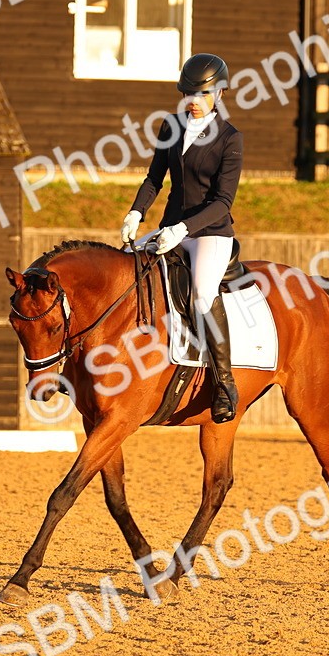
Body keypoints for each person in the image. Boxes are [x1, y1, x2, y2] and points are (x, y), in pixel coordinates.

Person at [121, 53, 243, 423]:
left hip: (209, 233)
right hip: (169, 226)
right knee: (127, 268)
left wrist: (183, 229)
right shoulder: (170, 126)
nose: (193, 100)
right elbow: (155, 178)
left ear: (219, 93)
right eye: (189, 92)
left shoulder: (230, 138)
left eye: (202, 94)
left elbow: (222, 201)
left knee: (203, 293)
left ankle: (225, 384)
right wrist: (136, 212)